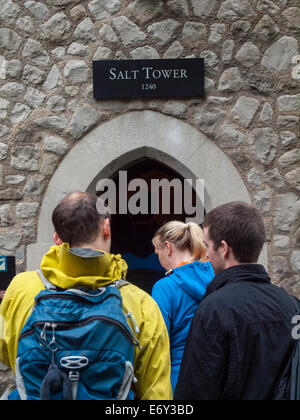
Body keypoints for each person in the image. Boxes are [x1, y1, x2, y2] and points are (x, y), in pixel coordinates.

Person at [0, 192, 172, 400]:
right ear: (106, 229)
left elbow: (7, 354)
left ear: (57, 238)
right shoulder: (139, 302)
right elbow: (156, 392)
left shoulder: (21, 288)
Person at [174, 201, 298, 400]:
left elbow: (195, 392)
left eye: (207, 245)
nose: (206, 254)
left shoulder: (214, 310)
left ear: (223, 248)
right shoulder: (291, 305)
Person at [151, 221, 214, 392]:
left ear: (168, 247)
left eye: (158, 253)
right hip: (215, 378)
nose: (159, 259)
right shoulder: (218, 279)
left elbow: (158, 344)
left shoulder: (164, 287)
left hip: (177, 380)